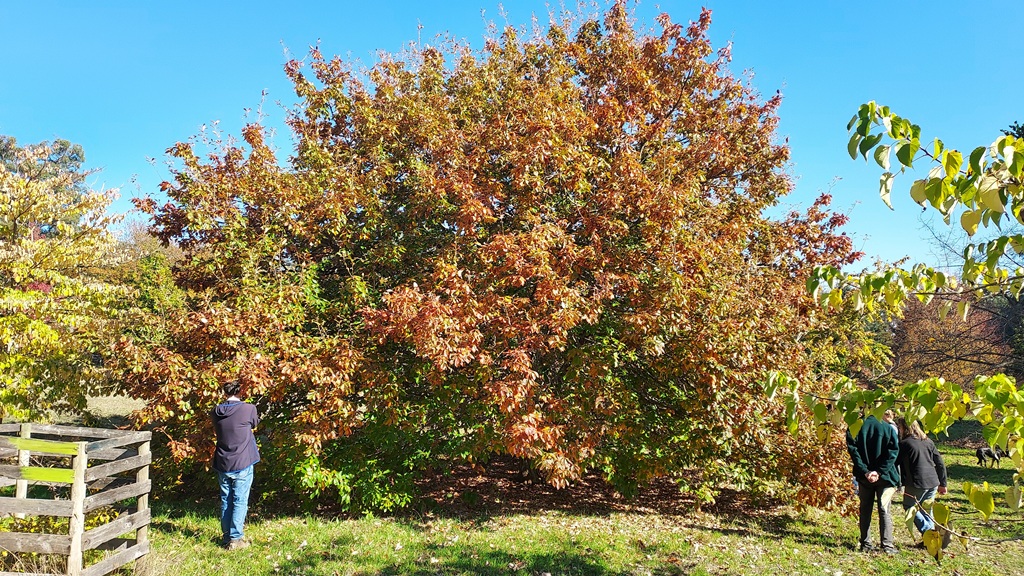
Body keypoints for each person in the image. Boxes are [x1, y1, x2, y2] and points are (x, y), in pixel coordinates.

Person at [211, 380, 260, 550]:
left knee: (226, 500)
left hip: (223, 461)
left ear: (225, 392)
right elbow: (254, 424)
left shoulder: (216, 411)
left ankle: (227, 537)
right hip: (243, 461)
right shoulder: (248, 409)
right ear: (240, 391)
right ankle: (236, 538)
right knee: (240, 500)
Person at [847, 414, 900, 554]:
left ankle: (866, 543)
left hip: (864, 478)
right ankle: (887, 545)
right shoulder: (887, 427)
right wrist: (879, 472)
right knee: (884, 510)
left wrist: (865, 471)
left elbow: (853, 451)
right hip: (886, 477)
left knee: (865, 509)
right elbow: (893, 452)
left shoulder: (855, 427)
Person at [896, 418, 947, 537]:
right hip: (933, 481)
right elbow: (939, 463)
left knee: (909, 507)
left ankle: (929, 534)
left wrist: (898, 482)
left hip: (916, 482)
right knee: (926, 510)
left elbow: (896, 462)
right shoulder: (928, 441)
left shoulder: (905, 444)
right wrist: (943, 483)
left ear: (903, 427)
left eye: (899, 426)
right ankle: (933, 538)